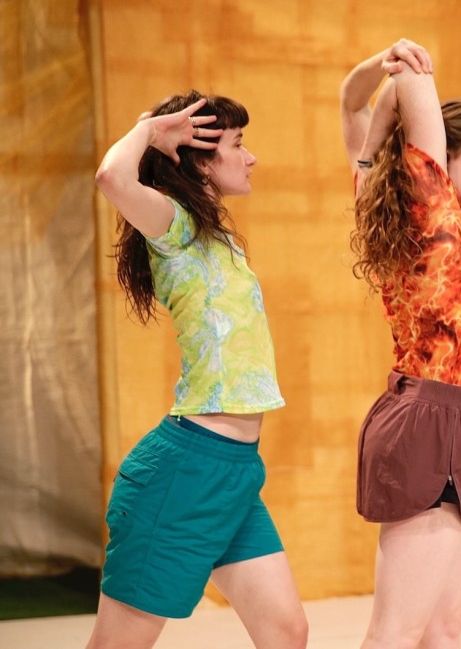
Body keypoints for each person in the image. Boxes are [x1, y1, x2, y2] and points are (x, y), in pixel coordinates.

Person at [88, 92, 308, 648]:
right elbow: (112, 177)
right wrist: (148, 128)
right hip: (184, 474)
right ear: (201, 161)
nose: (251, 157)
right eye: (238, 144)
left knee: (286, 632)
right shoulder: (174, 225)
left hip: (235, 472)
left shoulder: (215, 235)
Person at [339, 39, 461, 649]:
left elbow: (350, 104)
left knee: (443, 629)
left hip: (443, 416)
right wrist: (403, 64)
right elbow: (411, 82)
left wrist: (375, 75)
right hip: (430, 418)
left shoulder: (390, 194)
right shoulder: (429, 200)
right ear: (442, 154)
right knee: (397, 633)